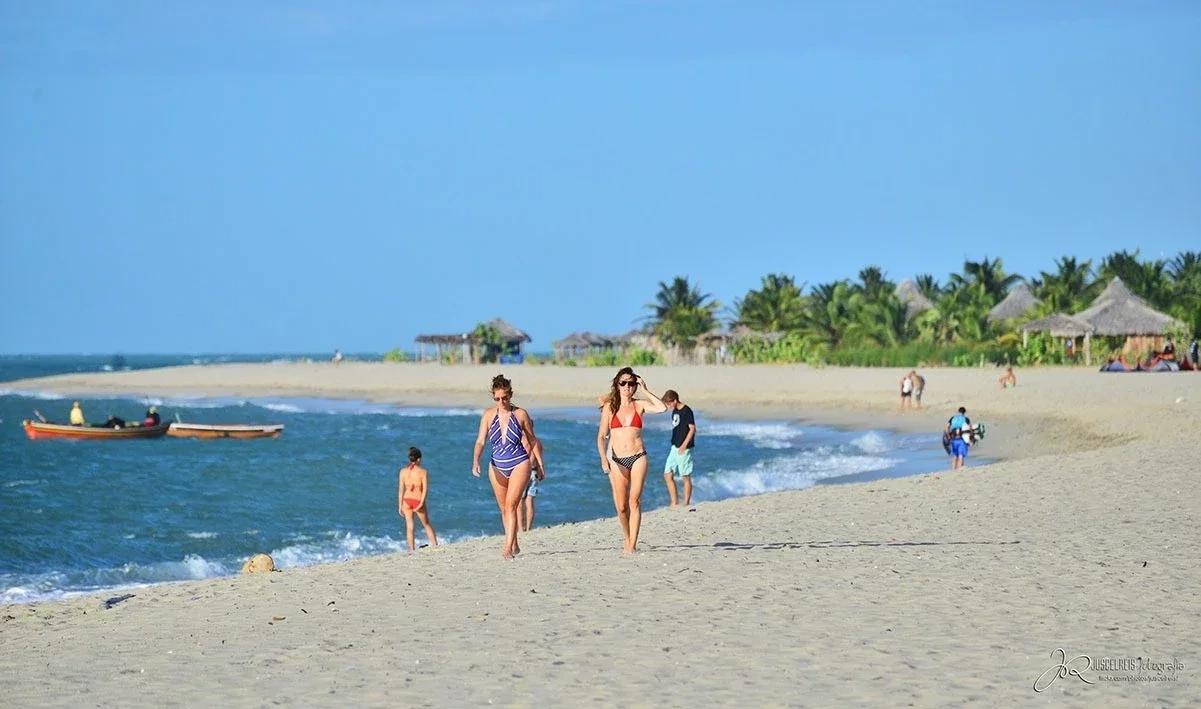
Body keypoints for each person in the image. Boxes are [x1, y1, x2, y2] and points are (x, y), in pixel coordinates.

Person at [596, 367, 668, 553]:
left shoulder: (640, 405)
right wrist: (604, 459)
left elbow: (662, 407)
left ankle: (632, 545)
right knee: (621, 507)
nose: (627, 386)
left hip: (638, 457)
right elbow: (601, 436)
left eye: (631, 383)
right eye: (623, 383)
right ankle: (627, 537)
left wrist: (646, 390)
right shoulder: (609, 407)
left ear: (635, 385)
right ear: (617, 385)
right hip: (617, 460)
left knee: (634, 501)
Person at [472, 374, 544, 560]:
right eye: (497, 398)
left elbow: (532, 440)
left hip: (520, 463)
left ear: (510, 395)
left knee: (512, 506)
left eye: (504, 398)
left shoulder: (520, 414)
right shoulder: (488, 415)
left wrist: (541, 465)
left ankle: (507, 548)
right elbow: (480, 441)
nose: (501, 401)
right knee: (504, 508)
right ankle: (514, 542)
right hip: (496, 466)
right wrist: (476, 461)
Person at [661, 390, 697, 507]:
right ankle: (674, 502)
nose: (668, 406)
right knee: (667, 474)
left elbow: (692, 429)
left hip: (684, 448)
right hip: (674, 446)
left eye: (669, 403)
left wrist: (684, 445)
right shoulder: (675, 411)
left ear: (675, 400)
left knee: (685, 476)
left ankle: (686, 503)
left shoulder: (687, 411)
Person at [398, 446, 438, 551]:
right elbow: (424, 489)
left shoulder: (403, 471)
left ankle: (411, 549)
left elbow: (401, 489)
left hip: (406, 500)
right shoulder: (423, 472)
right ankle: (435, 545)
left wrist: (400, 505)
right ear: (419, 459)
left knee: (410, 526)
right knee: (426, 524)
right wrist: (421, 502)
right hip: (417, 500)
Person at [517, 440, 545, 532]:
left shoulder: (522, 441)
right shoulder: (537, 442)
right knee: (530, 501)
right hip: (534, 472)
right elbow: (539, 458)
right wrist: (541, 471)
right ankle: (529, 528)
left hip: (523, 472)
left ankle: (521, 528)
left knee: (520, 502)